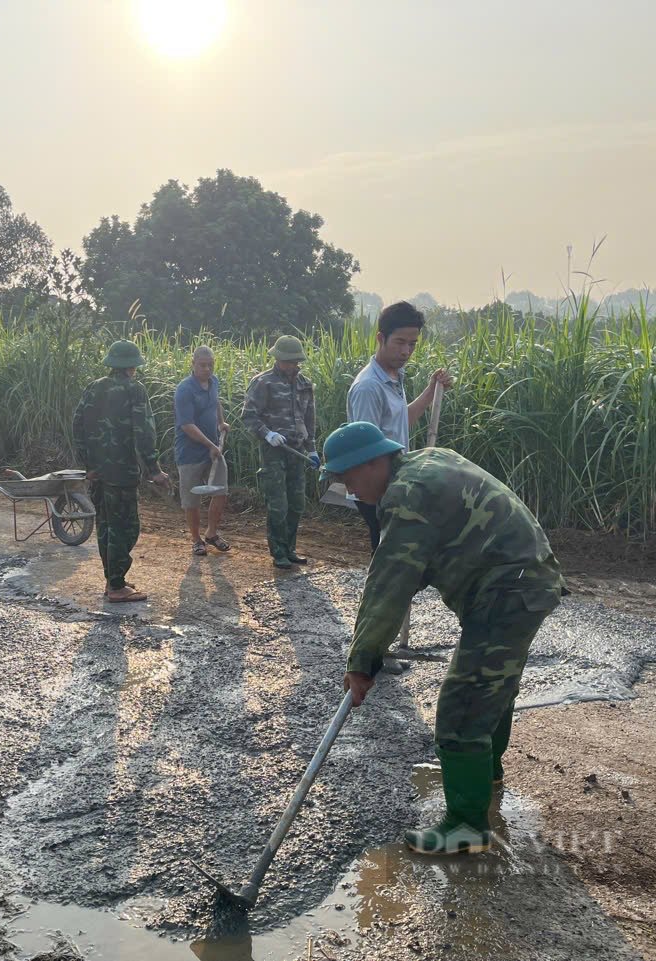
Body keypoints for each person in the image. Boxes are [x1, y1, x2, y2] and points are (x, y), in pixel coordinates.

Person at [321, 421, 565, 856]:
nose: (350, 490)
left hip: (508, 589)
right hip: (524, 580)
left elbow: (391, 580)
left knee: (463, 703)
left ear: (375, 461)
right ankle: (483, 774)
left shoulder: (406, 494)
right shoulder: (428, 463)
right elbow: (411, 567)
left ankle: (467, 827)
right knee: (492, 686)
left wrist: (361, 661)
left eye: (348, 477)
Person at [347, 301, 452, 552]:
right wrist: (386, 493)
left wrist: (430, 392)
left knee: (392, 558)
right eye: (400, 342)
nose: (406, 351)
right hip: (375, 488)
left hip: (394, 484)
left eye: (413, 344)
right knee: (387, 557)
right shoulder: (369, 387)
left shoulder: (393, 377)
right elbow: (366, 452)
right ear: (381, 338)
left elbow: (399, 423)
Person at [72, 340, 169, 603]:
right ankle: (116, 586)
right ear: (132, 367)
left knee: (105, 526)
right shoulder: (134, 390)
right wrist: (154, 469)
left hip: (99, 473)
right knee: (125, 528)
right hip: (122, 472)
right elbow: (144, 432)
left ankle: (113, 581)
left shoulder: (94, 388)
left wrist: (88, 465)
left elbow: (77, 425)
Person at [241, 335, 319, 569]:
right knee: (278, 504)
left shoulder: (305, 384)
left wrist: (312, 449)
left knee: (296, 503)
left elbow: (309, 419)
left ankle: (290, 548)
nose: (292, 365)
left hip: (297, 451)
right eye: (287, 361)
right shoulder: (263, 383)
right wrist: (267, 434)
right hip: (274, 451)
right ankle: (278, 552)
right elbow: (248, 415)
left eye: (295, 361)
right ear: (278, 359)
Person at [174, 346, 232, 556]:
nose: (207, 369)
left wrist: (221, 422)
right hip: (190, 453)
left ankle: (211, 533)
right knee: (192, 500)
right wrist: (210, 445)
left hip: (214, 450)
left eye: (210, 365)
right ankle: (196, 540)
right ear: (193, 364)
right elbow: (187, 425)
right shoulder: (185, 389)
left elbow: (215, 401)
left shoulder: (213, 381)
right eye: (202, 365)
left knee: (220, 491)